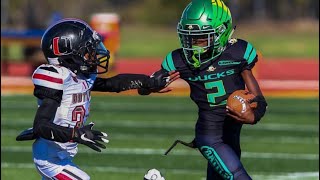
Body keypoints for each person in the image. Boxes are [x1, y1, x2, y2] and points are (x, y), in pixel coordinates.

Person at [16, 18, 179, 180]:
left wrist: (149, 82)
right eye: (87, 51)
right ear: (67, 52)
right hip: (50, 160)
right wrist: (76, 133)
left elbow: (113, 83)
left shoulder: (79, 76)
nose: (93, 55)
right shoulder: (58, 77)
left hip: (61, 153)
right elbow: (41, 125)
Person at [139, 0, 268, 179]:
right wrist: (150, 85)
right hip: (209, 136)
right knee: (238, 176)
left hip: (231, 135)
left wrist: (255, 115)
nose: (193, 45)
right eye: (189, 38)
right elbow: (144, 88)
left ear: (221, 33)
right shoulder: (179, 60)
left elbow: (259, 99)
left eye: (201, 39)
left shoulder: (238, 52)